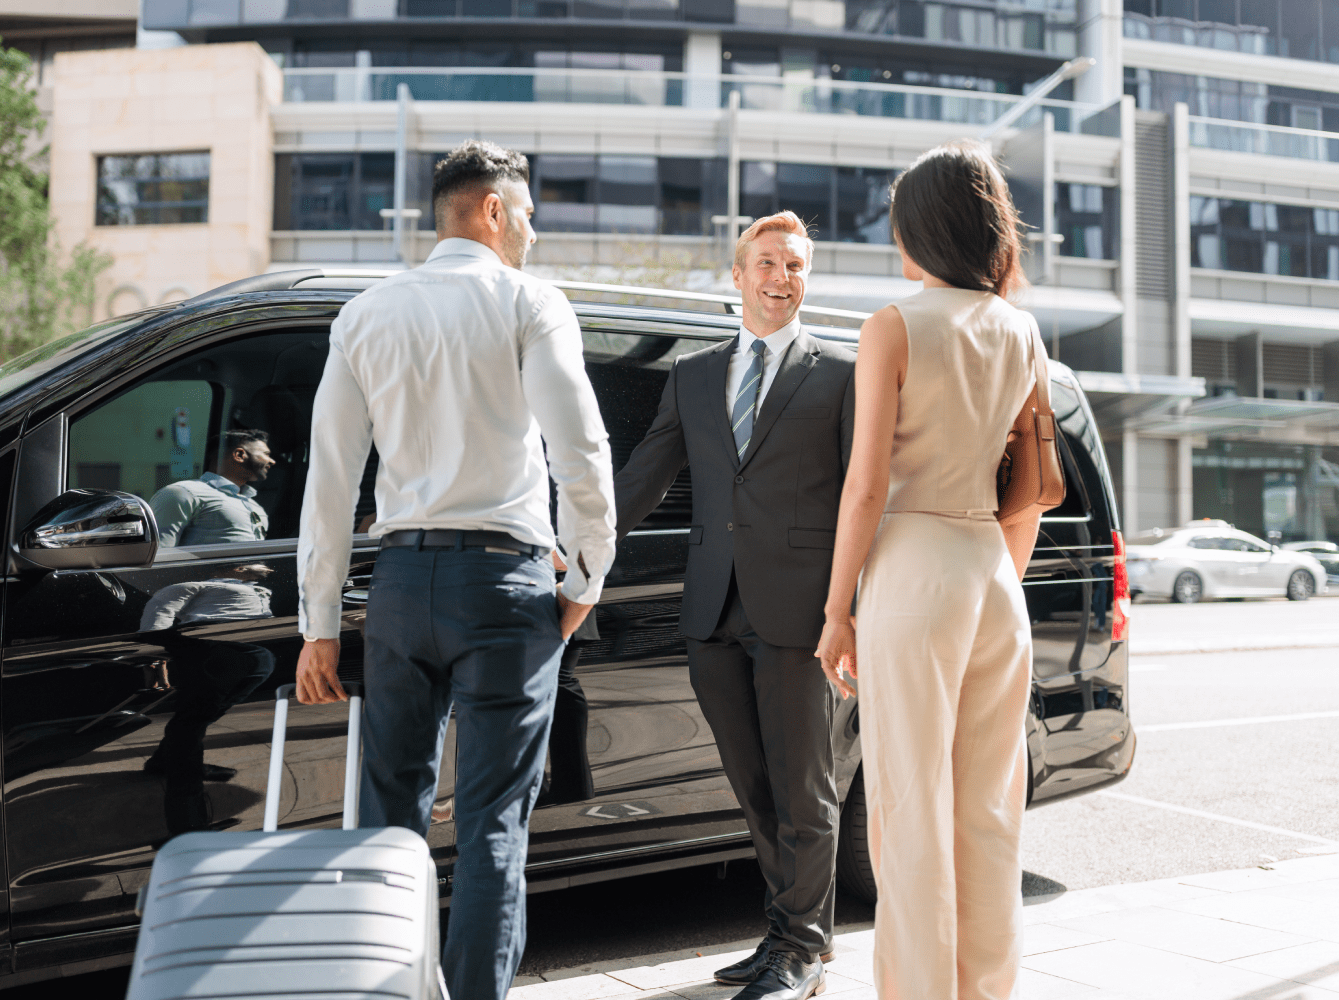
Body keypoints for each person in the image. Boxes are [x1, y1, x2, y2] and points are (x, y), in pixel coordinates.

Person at [293, 139, 617, 1000]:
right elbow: (580, 453)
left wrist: (318, 623)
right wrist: (585, 578)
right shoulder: (530, 303)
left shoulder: (365, 314)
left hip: (400, 588)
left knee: (386, 822)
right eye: (530, 216)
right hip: (504, 588)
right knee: (492, 824)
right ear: (495, 211)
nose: (534, 234)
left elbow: (330, 480)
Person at [815, 140, 1040, 1000]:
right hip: (993, 575)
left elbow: (867, 484)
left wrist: (837, 611)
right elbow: (1026, 493)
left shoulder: (894, 325)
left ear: (921, 229)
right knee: (989, 812)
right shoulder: (1020, 329)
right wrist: (997, 581)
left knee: (910, 811)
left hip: (914, 571)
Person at [614, 211, 855, 1000]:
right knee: (752, 787)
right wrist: (573, 543)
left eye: (795, 265)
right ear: (739, 275)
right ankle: (785, 931)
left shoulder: (841, 372)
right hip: (713, 608)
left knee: (804, 789)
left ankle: (804, 951)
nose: (781, 278)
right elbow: (645, 476)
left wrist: (849, 609)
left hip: (801, 613)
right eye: (767, 263)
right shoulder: (693, 374)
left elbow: (864, 497)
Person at [139, 564, 277, 833]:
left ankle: (162, 762)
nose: (268, 568)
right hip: (216, 652)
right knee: (189, 726)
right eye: (260, 563)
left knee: (202, 717)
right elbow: (159, 612)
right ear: (238, 566)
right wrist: (156, 658)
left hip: (253, 656)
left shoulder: (256, 590)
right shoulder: (200, 586)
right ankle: (188, 825)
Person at [149, 429, 275, 546]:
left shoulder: (255, 506)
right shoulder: (183, 493)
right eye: (266, 454)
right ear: (239, 455)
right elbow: (158, 554)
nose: (272, 461)